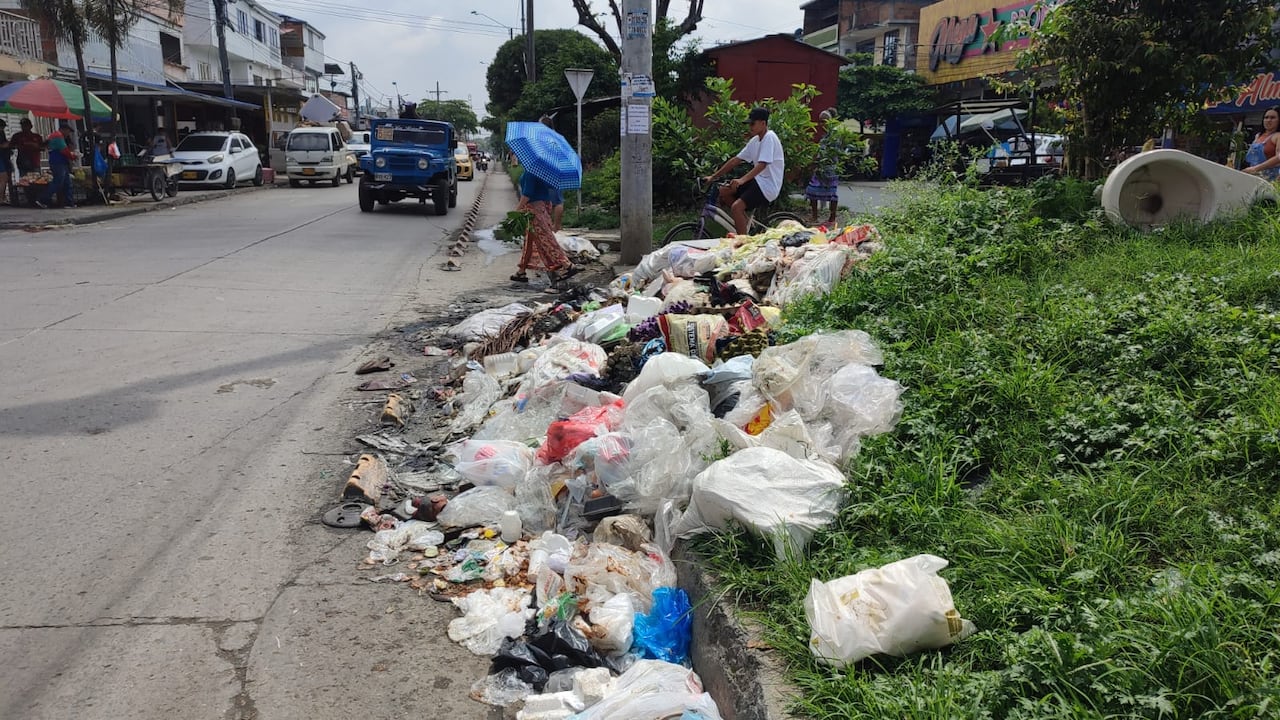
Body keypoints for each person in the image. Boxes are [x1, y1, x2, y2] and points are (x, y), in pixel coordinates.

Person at [703, 106, 785, 236]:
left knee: (736, 207)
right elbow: (735, 160)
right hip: (758, 181)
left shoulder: (770, 138)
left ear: (763, 123)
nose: (750, 127)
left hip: (768, 186)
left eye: (753, 123)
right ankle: (746, 222)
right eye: (749, 124)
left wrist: (741, 180)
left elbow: (762, 165)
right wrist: (713, 177)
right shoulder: (755, 141)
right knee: (724, 191)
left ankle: (743, 243)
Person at [509, 168, 582, 289]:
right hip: (541, 206)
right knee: (530, 240)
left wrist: (516, 211)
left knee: (546, 239)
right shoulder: (542, 172)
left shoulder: (531, 172)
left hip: (534, 209)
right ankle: (521, 271)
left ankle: (567, 265)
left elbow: (527, 194)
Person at [805, 108, 842, 226]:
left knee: (831, 193)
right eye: (820, 121)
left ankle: (832, 218)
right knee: (812, 191)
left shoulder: (834, 135)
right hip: (821, 167)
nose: (821, 124)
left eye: (824, 121)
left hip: (829, 168)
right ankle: (815, 216)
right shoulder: (826, 135)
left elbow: (830, 152)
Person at [36, 122, 77, 209]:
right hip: (58, 162)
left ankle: (69, 203)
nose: (68, 133)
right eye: (68, 131)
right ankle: (43, 199)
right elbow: (64, 150)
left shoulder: (55, 136)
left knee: (67, 183)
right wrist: (72, 156)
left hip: (61, 162)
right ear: (64, 129)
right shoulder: (57, 136)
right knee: (58, 182)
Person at [1243, 108, 1280, 180]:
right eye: (1266, 117)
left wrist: (1256, 168)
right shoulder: (1258, 136)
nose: (1268, 120)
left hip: (1271, 180)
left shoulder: (1278, 136)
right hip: (1252, 176)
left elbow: (1279, 157)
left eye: (1273, 118)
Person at [0, 120, 11, 205]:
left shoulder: (2, 133)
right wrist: (5, 145)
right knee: (4, 177)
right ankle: (1, 198)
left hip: (3, 157)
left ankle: (2, 197)